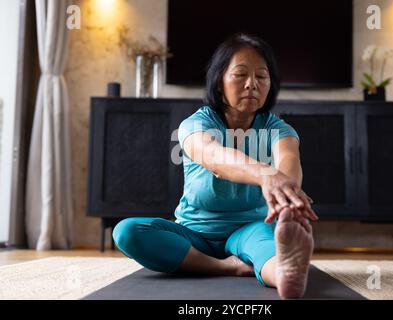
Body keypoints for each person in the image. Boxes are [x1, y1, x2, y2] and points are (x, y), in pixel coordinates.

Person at [112, 33, 318, 299]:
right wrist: (266, 175)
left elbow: (288, 158)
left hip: (250, 228)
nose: (251, 84)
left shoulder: (278, 129)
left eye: (261, 77)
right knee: (128, 231)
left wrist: (288, 196)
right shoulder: (196, 124)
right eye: (240, 74)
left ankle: (286, 275)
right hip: (193, 233)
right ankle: (225, 266)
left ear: (271, 84)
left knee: (267, 246)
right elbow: (215, 157)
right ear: (219, 81)